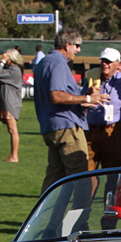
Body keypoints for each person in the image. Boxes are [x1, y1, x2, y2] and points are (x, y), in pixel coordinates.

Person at [33, 28, 106, 192]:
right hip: (66, 126)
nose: (79, 50)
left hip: (50, 125)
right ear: (67, 45)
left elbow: (57, 95)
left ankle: (46, 217)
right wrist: (87, 99)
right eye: (77, 46)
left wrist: (83, 96)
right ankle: (81, 216)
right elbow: (56, 96)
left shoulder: (43, 63)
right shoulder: (59, 63)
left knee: (55, 178)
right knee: (80, 177)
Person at [83, 47, 121, 192]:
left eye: (109, 61)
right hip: (91, 131)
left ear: (117, 64)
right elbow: (82, 98)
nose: (105, 64)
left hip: (115, 132)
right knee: (86, 174)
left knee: (113, 176)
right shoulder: (92, 77)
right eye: (103, 61)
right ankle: (83, 210)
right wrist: (88, 93)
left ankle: (109, 212)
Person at [0, 48, 24, 162]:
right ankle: (12, 155)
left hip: (11, 103)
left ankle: (14, 156)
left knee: (13, 129)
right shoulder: (11, 69)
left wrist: (2, 61)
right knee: (10, 129)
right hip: (7, 101)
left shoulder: (14, 70)